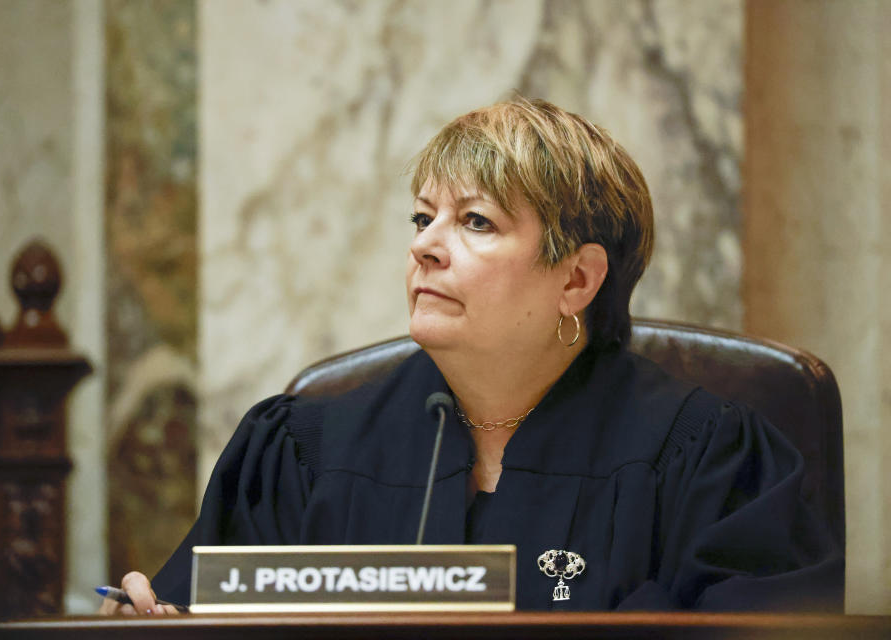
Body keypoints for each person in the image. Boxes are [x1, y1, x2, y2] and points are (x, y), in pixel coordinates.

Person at [100, 97, 842, 615]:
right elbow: (189, 612)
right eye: (424, 217)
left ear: (576, 279)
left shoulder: (708, 463)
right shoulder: (304, 451)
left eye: (476, 221)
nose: (424, 244)